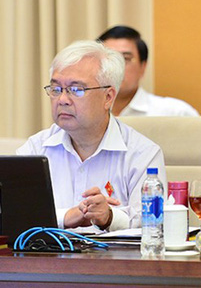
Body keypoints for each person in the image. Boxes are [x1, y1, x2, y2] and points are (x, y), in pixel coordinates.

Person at [17, 40, 167, 231]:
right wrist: (66, 217)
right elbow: (13, 212)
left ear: (108, 97)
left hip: (114, 252)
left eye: (76, 90)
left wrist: (109, 217)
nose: (62, 100)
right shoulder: (35, 149)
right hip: (48, 251)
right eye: (56, 89)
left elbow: (153, 224)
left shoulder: (143, 154)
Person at [97, 25, 199, 117]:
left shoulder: (175, 113)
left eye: (126, 58)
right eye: (109, 59)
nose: (117, 66)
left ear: (143, 67)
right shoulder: (87, 113)